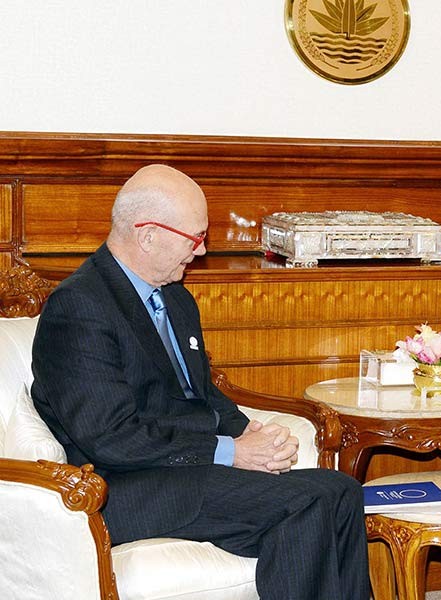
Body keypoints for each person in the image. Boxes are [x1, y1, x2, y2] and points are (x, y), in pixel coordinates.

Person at [30, 164, 370, 600]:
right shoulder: (80, 307)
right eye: (195, 237)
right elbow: (110, 437)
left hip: (187, 473)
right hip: (123, 488)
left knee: (340, 492)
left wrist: (250, 432)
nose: (202, 249)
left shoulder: (175, 297)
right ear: (148, 234)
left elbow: (202, 393)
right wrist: (231, 451)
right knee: (306, 503)